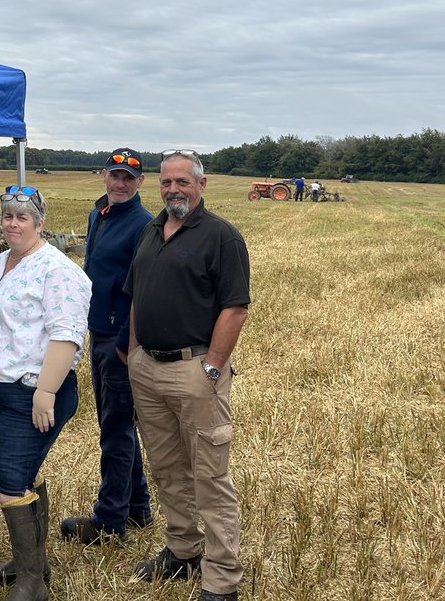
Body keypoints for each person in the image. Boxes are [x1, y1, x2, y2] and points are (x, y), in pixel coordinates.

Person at [126, 150, 250, 601]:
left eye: (182, 182)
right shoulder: (151, 230)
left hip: (195, 371)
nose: (173, 190)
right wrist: (136, 351)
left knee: (210, 477)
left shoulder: (222, 237)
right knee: (167, 469)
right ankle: (182, 552)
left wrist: (212, 365)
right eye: (166, 182)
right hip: (148, 370)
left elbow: (235, 307)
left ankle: (222, 580)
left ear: (201, 184)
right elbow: (137, 293)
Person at [0, 186, 91, 600]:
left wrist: (46, 391)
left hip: (32, 393)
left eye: (22, 217)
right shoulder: (2, 260)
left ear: (40, 222)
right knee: (25, 476)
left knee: (10, 482)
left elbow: (67, 336)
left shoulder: (58, 270)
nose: (13, 223)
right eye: (7, 216)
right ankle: (30, 565)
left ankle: (32, 585)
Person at [59, 148, 155, 546]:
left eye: (128, 178)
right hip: (97, 334)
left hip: (118, 343)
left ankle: (109, 522)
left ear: (140, 183)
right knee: (117, 425)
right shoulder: (98, 214)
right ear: (103, 175)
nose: (119, 183)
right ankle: (138, 508)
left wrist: (123, 342)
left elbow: (140, 291)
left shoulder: (143, 225)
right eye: (114, 175)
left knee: (115, 430)